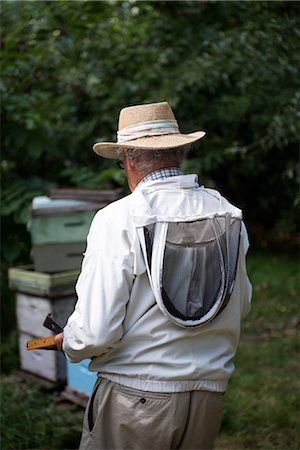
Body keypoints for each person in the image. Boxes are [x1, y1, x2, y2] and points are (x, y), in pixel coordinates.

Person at [55, 101, 252, 450]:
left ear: (128, 160)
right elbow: (242, 303)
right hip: (207, 393)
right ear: (179, 153)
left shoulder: (118, 218)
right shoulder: (226, 211)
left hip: (136, 396)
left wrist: (71, 341)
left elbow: (96, 332)